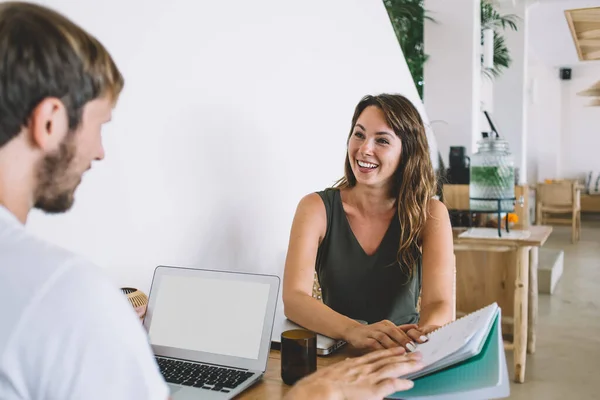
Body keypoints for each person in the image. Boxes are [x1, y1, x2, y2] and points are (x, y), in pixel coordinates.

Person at [0, 2, 423, 399]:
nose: (99, 151)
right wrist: (313, 393)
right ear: (50, 120)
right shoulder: (64, 293)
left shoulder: (50, 294)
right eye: (98, 125)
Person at [282, 94, 455, 353]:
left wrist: (423, 336)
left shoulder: (430, 214)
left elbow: (440, 303)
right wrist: (355, 331)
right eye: (359, 135)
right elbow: (294, 299)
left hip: (403, 351)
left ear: (407, 151)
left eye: (382, 140)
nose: (364, 149)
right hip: (336, 354)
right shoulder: (315, 208)